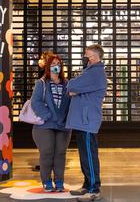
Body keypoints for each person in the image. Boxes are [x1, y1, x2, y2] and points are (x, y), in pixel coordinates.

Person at [66, 44, 108, 202]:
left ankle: (93, 188)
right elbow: (72, 88)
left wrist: (75, 89)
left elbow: (71, 85)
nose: (84, 57)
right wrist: (75, 89)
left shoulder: (95, 73)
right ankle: (87, 184)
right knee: (85, 154)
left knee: (89, 155)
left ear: (95, 58)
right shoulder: (89, 72)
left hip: (87, 120)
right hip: (83, 120)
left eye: (87, 55)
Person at [30, 55, 72, 192]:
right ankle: (46, 180)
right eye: (53, 64)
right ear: (47, 66)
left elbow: (71, 103)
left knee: (60, 152)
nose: (56, 66)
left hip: (63, 126)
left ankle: (59, 180)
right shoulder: (41, 83)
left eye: (58, 64)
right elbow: (35, 102)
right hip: (45, 125)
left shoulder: (67, 84)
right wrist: (48, 115)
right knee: (47, 152)